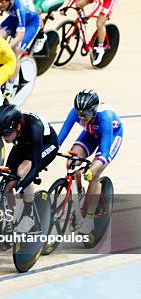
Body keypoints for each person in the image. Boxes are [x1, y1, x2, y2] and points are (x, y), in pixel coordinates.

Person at [0, 104, 58, 233]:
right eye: (1, 134)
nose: (4, 137)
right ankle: (9, 224)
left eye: (7, 133)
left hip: (44, 145)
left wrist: (22, 186)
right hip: (22, 144)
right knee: (7, 183)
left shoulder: (34, 127)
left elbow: (34, 167)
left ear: (18, 126)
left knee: (22, 171)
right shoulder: (1, 126)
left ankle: (28, 215)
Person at [57, 89, 123, 234]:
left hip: (111, 137)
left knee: (94, 174)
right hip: (91, 133)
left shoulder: (104, 117)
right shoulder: (77, 113)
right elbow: (58, 140)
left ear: (94, 110)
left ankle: (88, 220)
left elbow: (104, 153)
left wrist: (92, 170)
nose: (81, 117)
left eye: (85, 114)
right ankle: (79, 195)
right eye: (79, 114)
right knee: (71, 163)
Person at [0, 0, 41, 99]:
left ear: (11, 0)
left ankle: (9, 88)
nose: (0, 4)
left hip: (30, 23)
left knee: (15, 52)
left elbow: (20, 34)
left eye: (2, 1)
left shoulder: (19, 6)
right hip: (14, 18)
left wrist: (7, 47)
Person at [62, 0, 119, 65]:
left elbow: (99, 2)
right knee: (78, 4)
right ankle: (83, 30)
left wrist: (88, 16)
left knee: (100, 23)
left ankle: (101, 48)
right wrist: (67, 6)